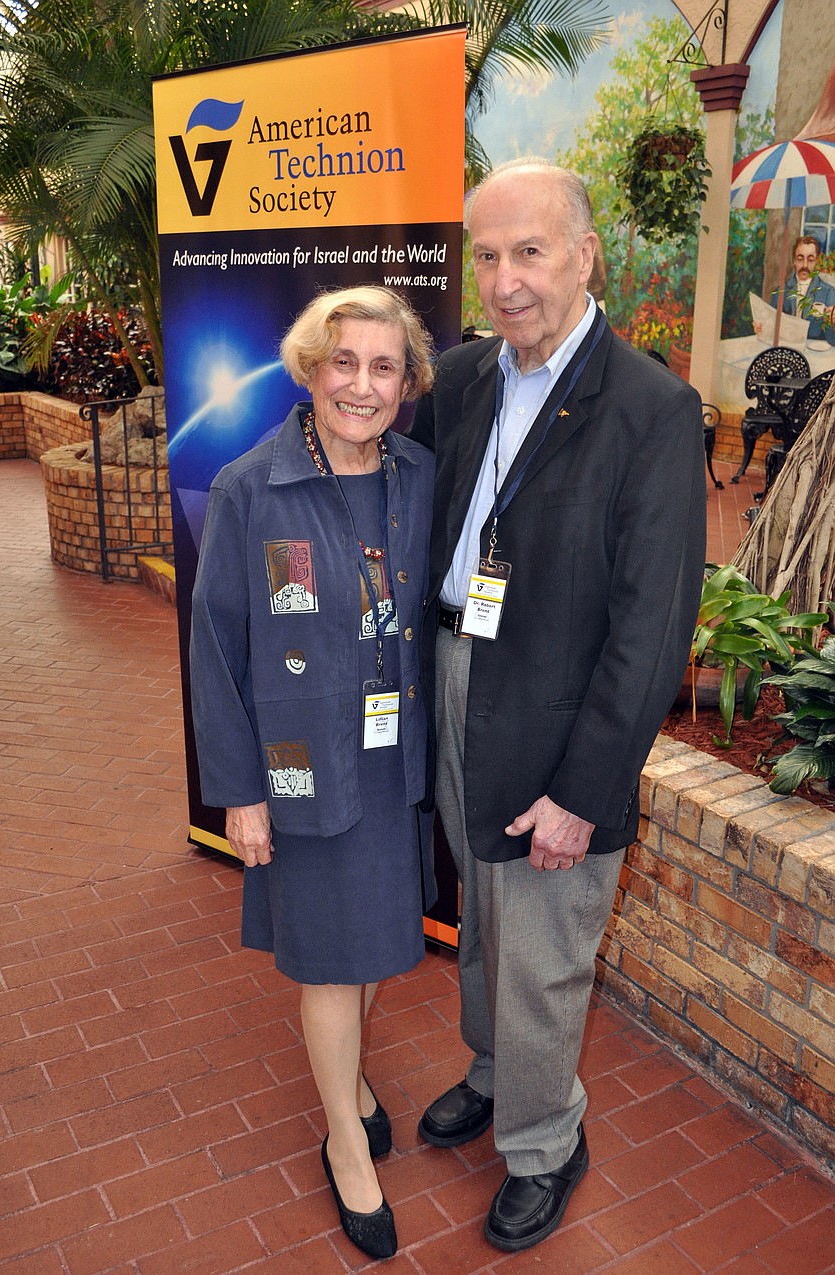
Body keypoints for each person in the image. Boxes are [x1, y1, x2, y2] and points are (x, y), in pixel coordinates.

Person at [409, 159, 706, 1254]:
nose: (504, 280)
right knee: (481, 920)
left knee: (541, 944)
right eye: (485, 256)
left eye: (528, 252)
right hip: (453, 677)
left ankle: (545, 1143)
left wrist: (585, 791)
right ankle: (495, 1076)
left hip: (556, 711)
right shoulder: (464, 379)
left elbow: (651, 628)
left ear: (585, 255)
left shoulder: (654, 411)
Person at [189, 285, 437, 1263]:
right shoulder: (254, 487)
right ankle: (345, 1138)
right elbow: (216, 646)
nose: (362, 386)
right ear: (308, 369)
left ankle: (355, 1088)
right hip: (300, 764)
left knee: (375, 946)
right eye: (345, 363)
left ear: (407, 383)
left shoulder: (419, 475)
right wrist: (240, 787)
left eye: (384, 367)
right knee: (332, 958)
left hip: (393, 757)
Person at [770, 235, 835, 345]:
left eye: (810, 260)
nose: (805, 265)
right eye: (800, 259)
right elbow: (771, 329)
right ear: (794, 260)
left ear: (817, 261)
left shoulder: (828, 292)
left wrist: (832, 323)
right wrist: (762, 327)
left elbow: (833, 341)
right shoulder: (781, 291)